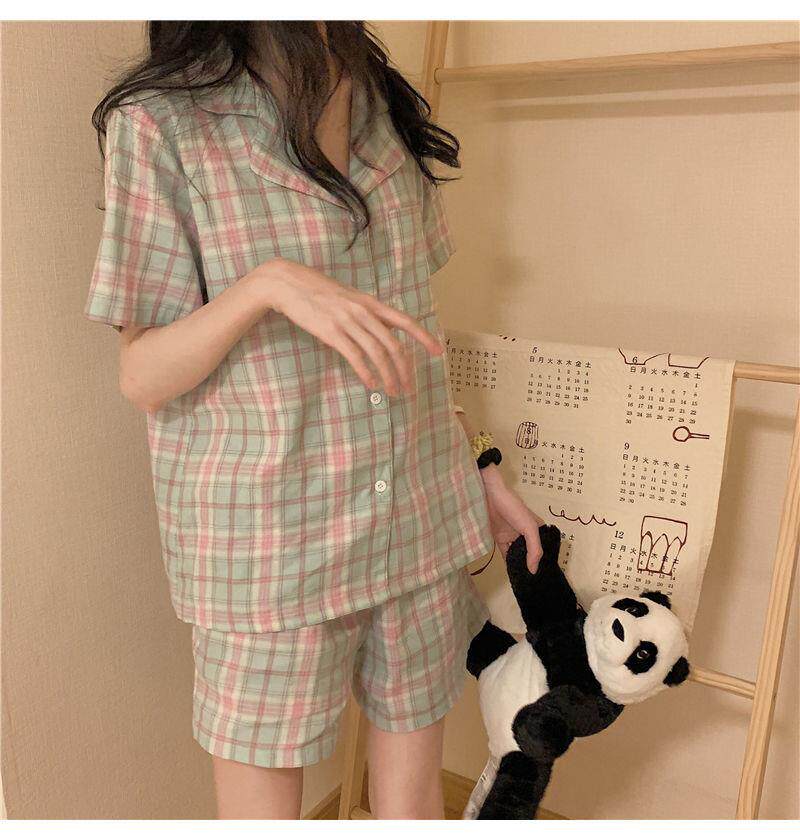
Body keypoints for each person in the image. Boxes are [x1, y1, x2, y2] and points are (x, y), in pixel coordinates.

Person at [84, 21, 543, 819]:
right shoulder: (163, 121)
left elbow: (414, 331)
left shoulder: (381, 103)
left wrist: (478, 466)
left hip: (417, 510)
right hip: (270, 545)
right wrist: (266, 285)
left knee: (411, 806)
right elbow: (142, 375)